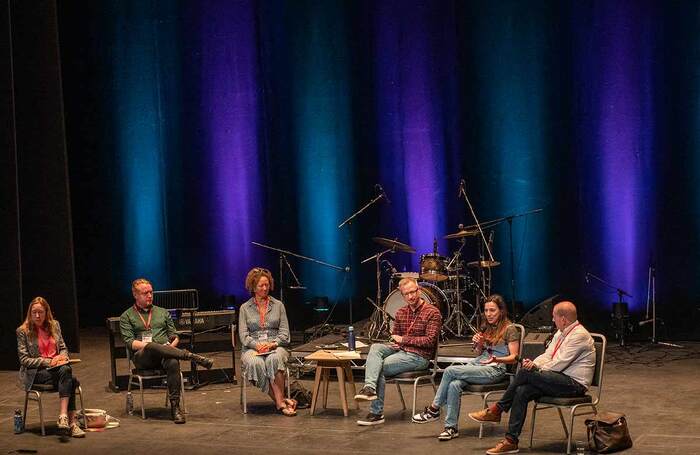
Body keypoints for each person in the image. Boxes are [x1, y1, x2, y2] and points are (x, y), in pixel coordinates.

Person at [468, 301, 595, 454]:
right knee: (522, 390)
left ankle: (497, 410)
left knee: (525, 373)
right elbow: (548, 355)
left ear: (563, 319)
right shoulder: (561, 333)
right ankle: (511, 441)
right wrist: (533, 363)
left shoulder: (579, 335)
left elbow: (559, 364)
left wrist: (535, 368)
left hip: (574, 384)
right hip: (557, 379)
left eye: (554, 317)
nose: (552, 320)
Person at [411, 294, 520, 441]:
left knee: (450, 370)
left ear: (501, 311)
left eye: (492, 310)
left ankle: (434, 409)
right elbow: (479, 353)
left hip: (496, 369)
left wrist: (496, 358)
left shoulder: (510, 329)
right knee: (454, 385)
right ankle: (451, 428)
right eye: (486, 310)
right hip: (480, 364)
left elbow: (514, 358)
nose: (488, 314)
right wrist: (479, 343)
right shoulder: (486, 327)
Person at [119, 278, 214, 424]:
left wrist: (169, 347)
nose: (150, 295)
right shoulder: (127, 316)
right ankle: (191, 356)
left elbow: (174, 336)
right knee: (149, 345)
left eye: (151, 292)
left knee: (173, 362)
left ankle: (175, 407)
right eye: (145, 293)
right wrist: (152, 345)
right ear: (135, 295)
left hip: (165, 355)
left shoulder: (162, 312)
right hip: (143, 358)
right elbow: (130, 342)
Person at [354, 277, 442, 426]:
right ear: (402, 295)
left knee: (378, 367)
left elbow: (429, 341)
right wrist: (395, 342)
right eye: (406, 294)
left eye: (413, 292)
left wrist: (403, 340)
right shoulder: (401, 312)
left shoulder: (432, 312)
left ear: (419, 290)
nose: (411, 296)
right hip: (401, 352)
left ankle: (376, 413)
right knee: (376, 348)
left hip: (419, 356)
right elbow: (396, 337)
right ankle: (369, 388)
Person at [16, 296, 85, 438]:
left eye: (40, 312)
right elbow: (24, 360)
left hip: (58, 370)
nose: (37, 315)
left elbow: (63, 347)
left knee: (66, 371)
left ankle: (65, 418)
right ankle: (71, 422)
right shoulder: (23, 331)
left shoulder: (55, 325)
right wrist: (48, 362)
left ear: (46, 312)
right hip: (36, 373)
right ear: (30, 313)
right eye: (34, 312)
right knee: (71, 380)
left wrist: (62, 357)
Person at [239, 267, 296, 416]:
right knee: (255, 362)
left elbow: (285, 334)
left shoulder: (278, 305)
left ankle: (280, 402)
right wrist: (257, 345)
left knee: (274, 358)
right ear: (253, 287)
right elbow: (244, 336)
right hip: (252, 346)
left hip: (276, 344)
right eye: (261, 286)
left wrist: (272, 344)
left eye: (267, 285)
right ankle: (281, 401)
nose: (265, 288)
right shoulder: (244, 308)